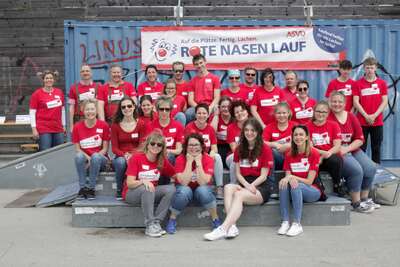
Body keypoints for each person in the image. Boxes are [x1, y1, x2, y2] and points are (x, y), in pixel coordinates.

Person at [203, 118, 273, 241]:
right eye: (246, 130)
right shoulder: (239, 149)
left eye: (252, 130)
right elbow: (238, 174)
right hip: (245, 184)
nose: (249, 133)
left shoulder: (265, 149)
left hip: (261, 187)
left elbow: (263, 176)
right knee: (228, 187)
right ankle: (232, 227)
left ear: (258, 132)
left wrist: (251, 186)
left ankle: (223, 228)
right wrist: (246, 185)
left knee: (239, 195)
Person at [329, 91, 378, 212]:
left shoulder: (351, 116)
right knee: (356, 170)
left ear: (345, 103)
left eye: (340, 101)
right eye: (334, 101)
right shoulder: (327, 117)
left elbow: (360, 138)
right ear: (330, 103)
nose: (337, 104)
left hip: (351, 148)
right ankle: (356, 203)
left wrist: (347, 148)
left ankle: (364, 199)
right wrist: (340, 149)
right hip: (336, 151)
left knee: (371, 167)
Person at [123, 131, 176, 237]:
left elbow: (175, 175)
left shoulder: (162, 161)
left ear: (162, 148)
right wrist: (143, 181)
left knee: (171, 189)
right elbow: (130, 183)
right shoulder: (137, 158)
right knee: (147, 188)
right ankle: (149, 224)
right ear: (147, 144)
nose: (155, 146)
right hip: (132, 193)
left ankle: (156, 222)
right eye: (153, 143)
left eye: (159, 145)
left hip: (150, 192)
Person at [166, 133, 221, 234]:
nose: (193, 147)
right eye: (190, 145)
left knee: (203, 190)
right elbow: (184, 182)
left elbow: (203, 182)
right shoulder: (180, 159)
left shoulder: (208, 159)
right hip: (185, 188)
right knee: (183, 191)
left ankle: (215, 219)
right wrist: (189, 162)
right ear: (186, 147)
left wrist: (198, 162)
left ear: (201, 146)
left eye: (196, 145)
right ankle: (172, 219)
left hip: (201, 189)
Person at [277, 125, 323, 237]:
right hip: (295, 187)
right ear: (292, 138)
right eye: (295, 135)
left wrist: (293, 177)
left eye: (301, 134)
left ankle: (297, 224)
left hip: (313, 190)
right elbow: (288, 178)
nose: (298, 137)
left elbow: (309, 181)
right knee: (284, 184)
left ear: (307, 137)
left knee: (294, 184)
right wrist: (288, 178)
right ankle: (285, 222)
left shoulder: (314, 154)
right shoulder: (289, 155)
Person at [185, 103, 224, 199]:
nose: (201, 115)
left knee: (217, 157)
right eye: (199, 113)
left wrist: (212, 152)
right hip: (192, 155)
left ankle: (219, 187)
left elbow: (214, 147)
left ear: (208, 115)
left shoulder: (210, 129)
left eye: (204, 113)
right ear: (195, 115)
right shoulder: (189, 127)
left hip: (205, 156)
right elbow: (185, 146)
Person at [111, 96, 147, 200]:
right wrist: (125, 155)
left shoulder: (141, 124)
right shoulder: (115, 126)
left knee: (135, 161)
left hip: (137, 155)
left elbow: (141, 145)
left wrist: (133, 155)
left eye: (129, 106)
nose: (126, 108)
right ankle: (119, 189)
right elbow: (114, 148)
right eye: (123, 107)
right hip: (121, 156)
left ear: (134, 107)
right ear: (120, 109)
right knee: (121, 162)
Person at [72, 99, 110, 200]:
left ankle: (91, 188)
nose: (90, 112)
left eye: (92, 109)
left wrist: (93, 158)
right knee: (78, 157)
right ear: (83, 111)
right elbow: (77, 148)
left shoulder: (104, 125)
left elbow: (105, 149)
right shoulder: (77, 127)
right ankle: (82, 188)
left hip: (100, 159)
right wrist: (89, 158)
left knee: (96, 157)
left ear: (96, 111)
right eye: (87, 109)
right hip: (86, 158)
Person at [353, 57, 388, 164]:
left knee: (376, 148)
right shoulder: (357, 84)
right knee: (361, 148)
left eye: (371, 68)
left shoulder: (382, 83)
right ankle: (361, 169)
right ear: (364, 68)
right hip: (362, 122)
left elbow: (384, 101)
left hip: (377, 122)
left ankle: (377, 170)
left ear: (375, 68)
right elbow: (355, 102)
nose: (369, 70)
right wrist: (366, 116)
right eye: (367, 68)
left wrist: (374, 116)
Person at [306, 101, 344, 196]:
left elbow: (337, 146)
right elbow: (309, 147)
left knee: (336, 160)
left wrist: (323, 156)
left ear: (328, 113)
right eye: (318, 111)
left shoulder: (333, 125)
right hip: (314, 155)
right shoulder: (307, 126)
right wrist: (321, 154)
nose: (320, 114)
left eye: (324, 112)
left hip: (329, 157)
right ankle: (319, 187)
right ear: (314, 112)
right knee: (309, 160)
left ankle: (337, 184)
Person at [29, 70, 65, 151]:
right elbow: (32, 112)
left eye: (51, 78)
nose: (49, 80)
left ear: (54, 79)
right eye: (47, 78)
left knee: (59, 152)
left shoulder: (59, 92)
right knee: (45, 152)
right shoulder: (37, 94)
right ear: (43, 80)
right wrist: (34, 129)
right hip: (43, 128)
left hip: (58, 127)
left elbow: (62, 110)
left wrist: (64, 125)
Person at [186, 54, 221, 122]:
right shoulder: (192, 81)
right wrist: (199, 109)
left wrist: (210, 108)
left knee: (218, 111)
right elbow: (190, 100)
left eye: (201, 62)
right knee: (188, 113)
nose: (199, 65)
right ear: (194, 66)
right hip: (197, 106)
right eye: (196, 64)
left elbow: (217, 97)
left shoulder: (215, 78)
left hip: (211, 105)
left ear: (205, 62)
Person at [263, 102, 297, 171]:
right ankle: (271, 178)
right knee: (271, 151)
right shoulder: (269, 127)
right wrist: (273, 144)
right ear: (275, 114)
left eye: (284, 113)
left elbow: (305, 141)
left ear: (288, 113)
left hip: (293, 159)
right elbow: (261, 142)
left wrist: (288, 145)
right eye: (279, 113)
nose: (281, 115)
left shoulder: (295, 126)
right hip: (277, 159)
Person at [68, 64, 102, 132]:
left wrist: (101, 122)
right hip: (79, 120)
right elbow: (71, 108)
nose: (85, 73)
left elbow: (100, 106)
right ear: (80, 73)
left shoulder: (98, 87)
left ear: (91, 73)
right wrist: (71, 125)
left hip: (94, 120)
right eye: (83, 71)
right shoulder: (74, 88)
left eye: (87, 71)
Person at [151, 95, 184, 164]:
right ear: (157, 110)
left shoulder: (178, 126)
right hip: (154, 156)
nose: (164, 112)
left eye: (167, 109)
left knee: (169, 156)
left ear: (171, 110)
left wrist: (167, 151)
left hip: (170, 157)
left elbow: (179, 150)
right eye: (161, 109)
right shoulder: (150, 126)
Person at [225, 100, 251, 184]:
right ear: (234, 115)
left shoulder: (255, 124)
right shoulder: (231, 128)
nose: (240, 113)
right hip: (234, 156)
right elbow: (234, 149)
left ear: (247, 111)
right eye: (236, 112)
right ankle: (233, 185)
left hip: (252, 154)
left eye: (242, 110)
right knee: (235, 158)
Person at [210, 96, 233, 169]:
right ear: (219, 108)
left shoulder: (235, 117)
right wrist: (216, 114)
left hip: (231, 145)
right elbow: (212, 131)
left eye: (228, 106)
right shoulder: (215, 117)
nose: (226, 109)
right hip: (218, 145)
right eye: (223, 106)